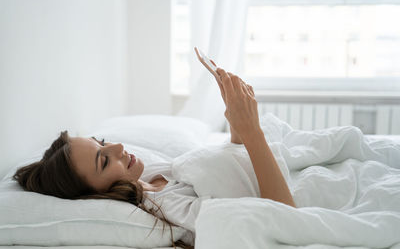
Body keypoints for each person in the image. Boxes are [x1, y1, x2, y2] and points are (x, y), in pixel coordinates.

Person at [12, 67, 295, 249]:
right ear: (97, 195)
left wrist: (237, 126)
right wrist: (253, 134)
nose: (119, 148)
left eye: (103, 143)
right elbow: (282, 221)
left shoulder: (149, 174)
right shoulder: (168, 209)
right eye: (105, 161)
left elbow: (231, 177)